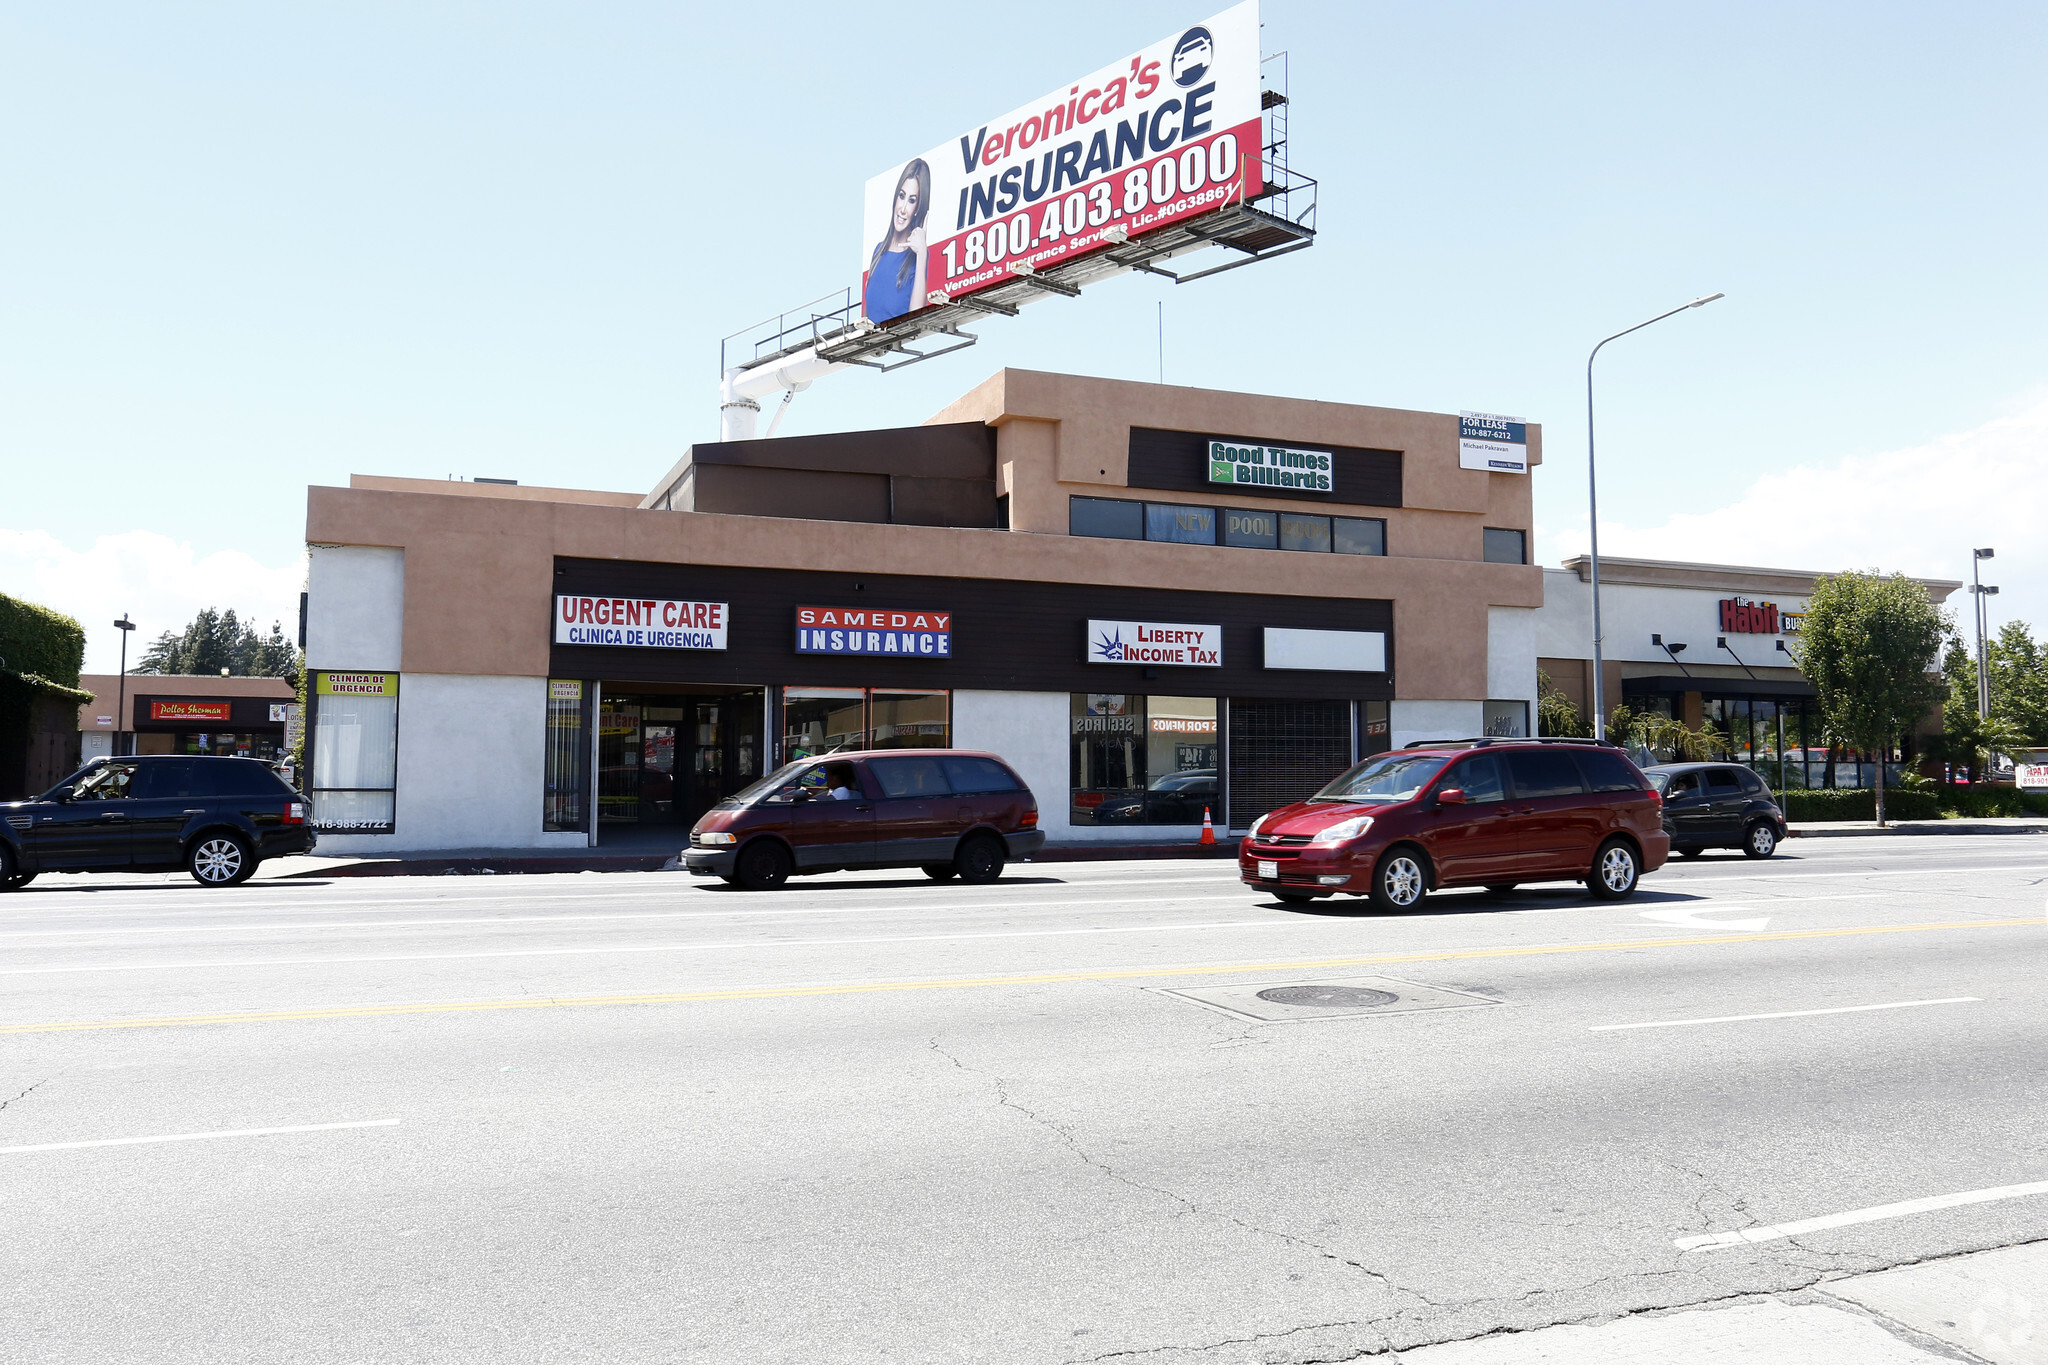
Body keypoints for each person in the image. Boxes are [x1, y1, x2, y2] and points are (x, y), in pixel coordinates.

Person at [862, 159, 930, 324]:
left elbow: (917, 318)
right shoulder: (878, 251)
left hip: (900, 345)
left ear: (918, 209)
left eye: (912, 200)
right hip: (873, 347)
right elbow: (866, 316)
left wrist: (921, 253)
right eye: (902, 196)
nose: (903, 208)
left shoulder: (917, 256)